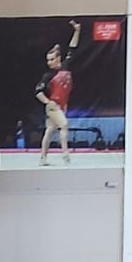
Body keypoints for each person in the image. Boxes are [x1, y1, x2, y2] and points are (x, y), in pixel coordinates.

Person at [35, 20, 81, 165]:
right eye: (48, 60)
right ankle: (65, 154)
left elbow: (72, 47)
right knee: (64, 125)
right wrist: (49, 103)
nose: (49, 63)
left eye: (52, 59)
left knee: (49, 131)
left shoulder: (66, 66)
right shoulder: (48, 75)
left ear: (58, 58)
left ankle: (43, 158)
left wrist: (77, 31)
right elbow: (38, 91)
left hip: (62, 105)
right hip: (53, 106)